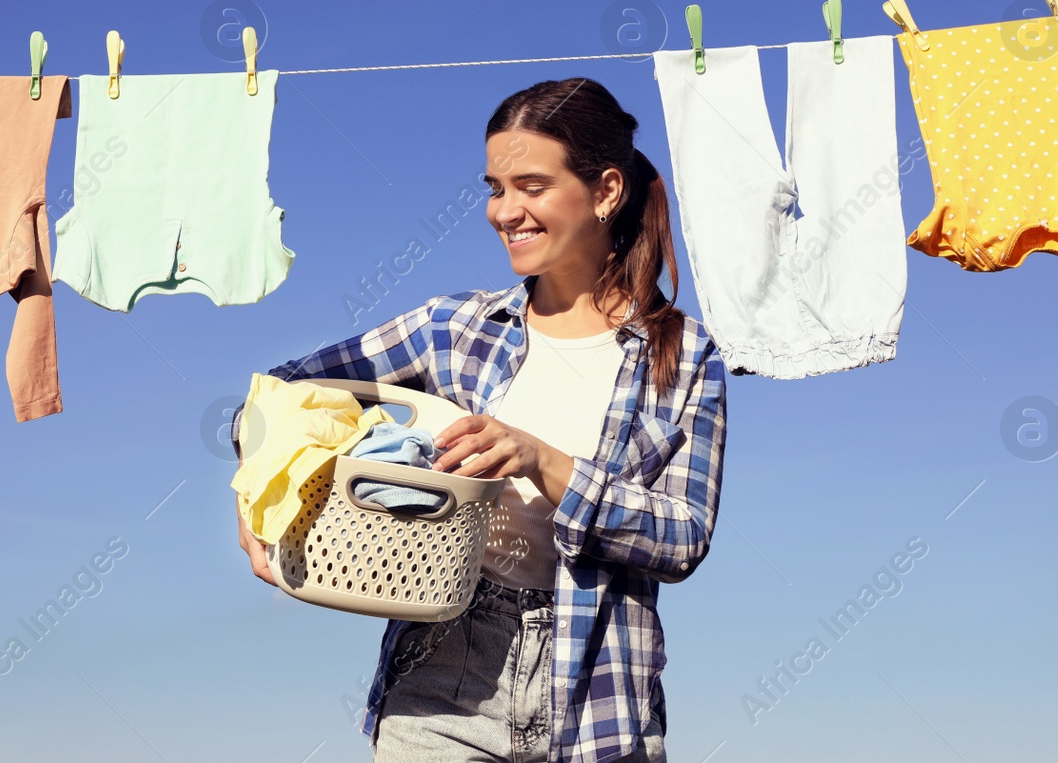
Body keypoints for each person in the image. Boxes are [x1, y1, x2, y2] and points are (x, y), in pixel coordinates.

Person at [232, 78, 727, 763]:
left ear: (606, 190)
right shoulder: (454, 328)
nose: (504, 211)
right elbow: (276, 393)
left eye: (531, 185)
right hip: (443, 680)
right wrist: (253, 482)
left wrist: (542, 460)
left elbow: (684, 537)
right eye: (496, 187)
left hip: (600, 689)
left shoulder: (684, 354)